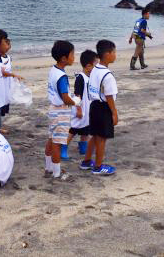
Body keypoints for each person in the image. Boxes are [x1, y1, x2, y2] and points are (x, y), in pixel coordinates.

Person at [81, 40, 118, 176]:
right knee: (102, 138)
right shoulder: (108, 75)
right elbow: (109, 96)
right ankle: (98, 166)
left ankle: (86, 162)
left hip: (94, 106)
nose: (115, 55)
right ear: (107, 54)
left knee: (95, 136)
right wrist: (114, 113)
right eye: (114, 52)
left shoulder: (95, 69)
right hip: (103, 108)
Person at [44, 41, 77, 180]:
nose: (74, 57)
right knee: (57, 142)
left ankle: (48, 167)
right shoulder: (62, 76)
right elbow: (65, 98)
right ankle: (56, 173)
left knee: (51, 139)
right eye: (72, 54)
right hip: (61, 111)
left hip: (53, 110)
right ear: (64, 58)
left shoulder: (53, 70)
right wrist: (76, 102)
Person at [64, 50, 96, 160]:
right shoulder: (80, 78)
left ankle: (83, 147)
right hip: (80, 108)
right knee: (74, 129)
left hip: (88, 109)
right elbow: (77, 95)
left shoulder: (90, 77)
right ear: (88, 66)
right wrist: (78, 109)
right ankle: (63, 148)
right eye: (95, 66)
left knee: (86, 129)